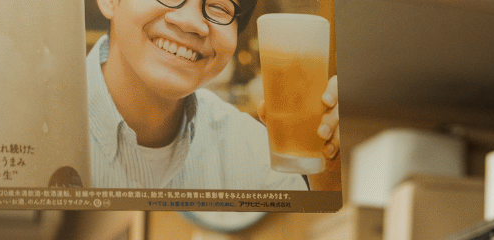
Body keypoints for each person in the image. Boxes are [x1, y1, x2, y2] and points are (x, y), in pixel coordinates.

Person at [88, 0, 339, 190]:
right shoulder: (50, 128)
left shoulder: (254, 156)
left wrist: (330, 168)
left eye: (220, 5)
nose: (191, 23)